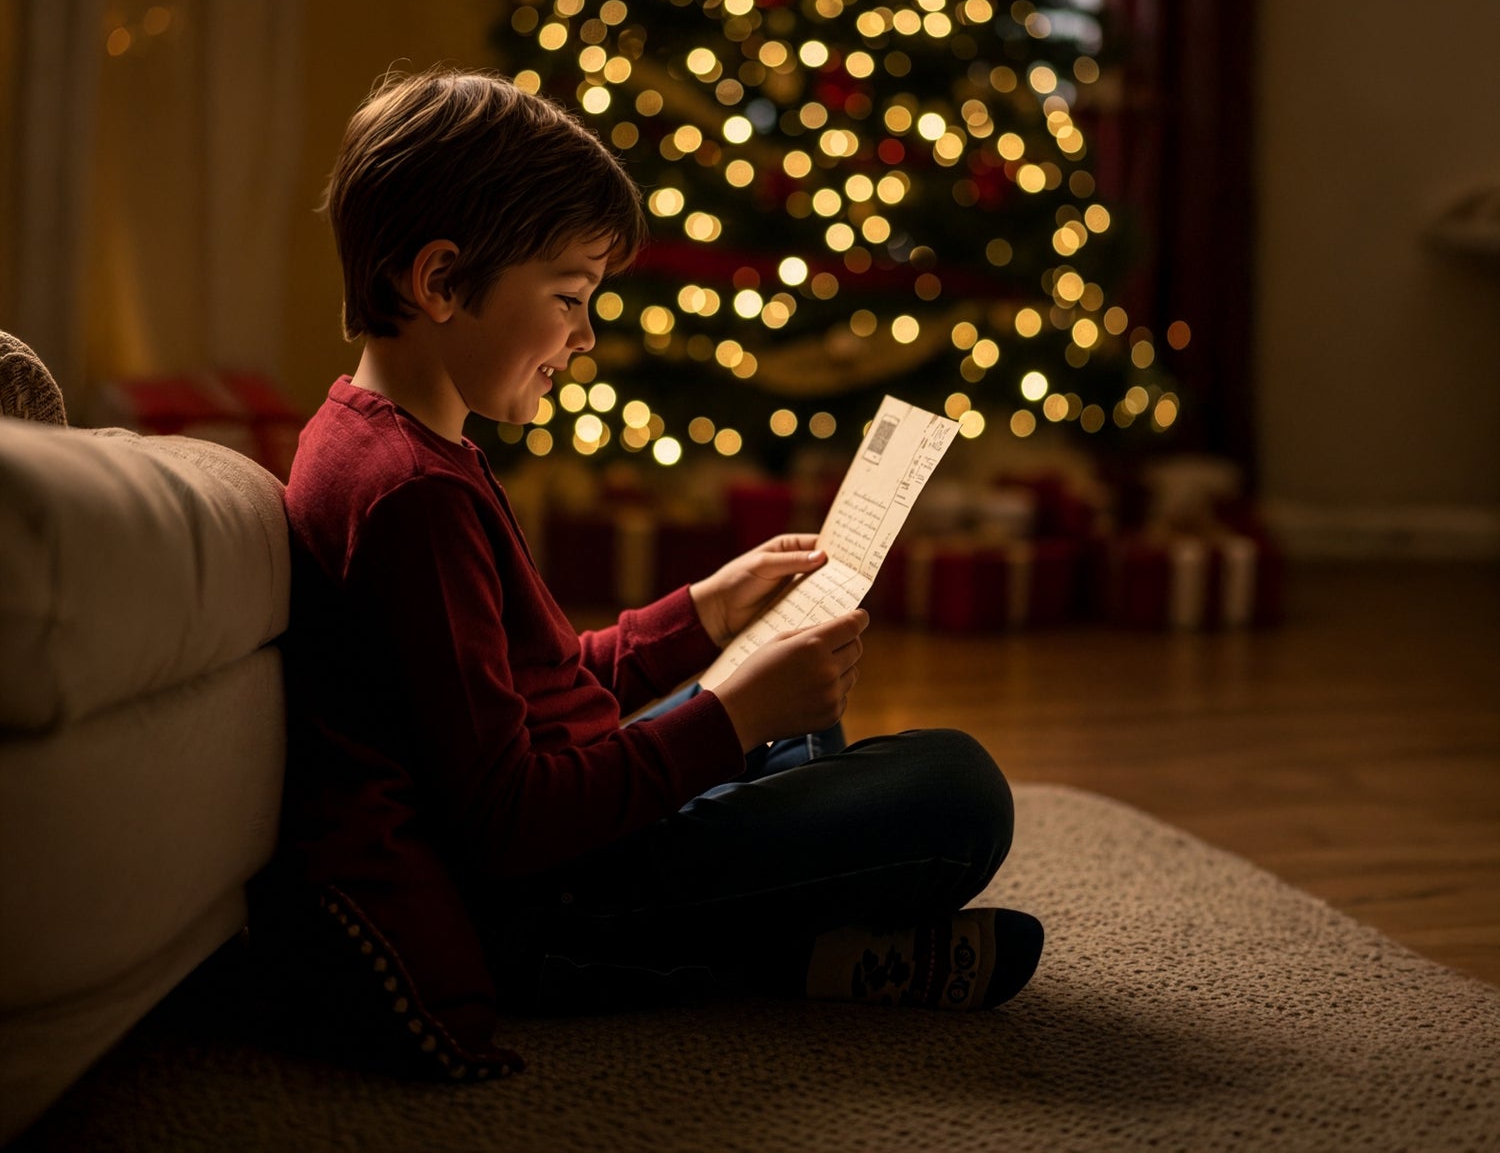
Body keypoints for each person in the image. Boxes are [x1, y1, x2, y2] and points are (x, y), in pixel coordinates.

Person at [270, 67, 1042, 1068]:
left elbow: (542, 686)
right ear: (441, 282)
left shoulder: (406, 448)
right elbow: (506, 822)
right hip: (554, 909)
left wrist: (705, 615)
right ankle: (785, 957)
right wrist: (730, 719)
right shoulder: (412, 495)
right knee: (956, 790)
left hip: (574, 851)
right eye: (569, 298)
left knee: (802, 722)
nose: (585, 339)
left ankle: (812, 946)